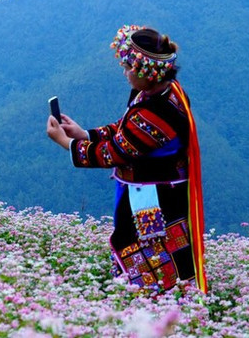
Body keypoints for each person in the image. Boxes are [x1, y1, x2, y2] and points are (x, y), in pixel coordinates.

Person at [46, 24, 207, 294]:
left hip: (156, 203)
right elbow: (126, 129)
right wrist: (85, 133)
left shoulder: (159, 110)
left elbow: (116, 151)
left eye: (129, 68)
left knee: (150, 259)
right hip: (154, 195)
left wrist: (67, 143)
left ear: (147, 71)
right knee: (156, 259)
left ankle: (158, 314)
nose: (125, 73)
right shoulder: (160, 94)